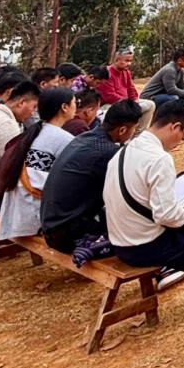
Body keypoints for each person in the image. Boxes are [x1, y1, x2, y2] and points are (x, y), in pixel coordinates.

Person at [104, 98, 184, 280]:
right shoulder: (159, 158)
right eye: (183, 138)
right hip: (144, 245)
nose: (178, 143)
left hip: (121, 241)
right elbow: (165, 215)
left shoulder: (124, 150)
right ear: (175, 127)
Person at [40, 100, 143, 253]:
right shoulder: (109, 154)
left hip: (51, 225)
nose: (133, 132)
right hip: (68, 235)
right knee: (142, 231)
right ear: (122, 130)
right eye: (134, 129)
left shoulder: (86, 137)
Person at [0, 87, 77, 239]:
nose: (76, 106)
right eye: (74, 102)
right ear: (64, 107)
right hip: (34, 214)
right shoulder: (63, 139)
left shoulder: (34, 131)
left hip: (16, 208)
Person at [97, 49, 156, 132]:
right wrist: (129, 104)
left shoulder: (126, 72)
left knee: (150, 105)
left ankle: (138, 134)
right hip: (110, 105)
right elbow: (110, 96)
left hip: (127, 103)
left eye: (130, 61)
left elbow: (131, 89)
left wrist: (134, 101)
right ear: (117, 60)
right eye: (127, 61)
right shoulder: (107, 73)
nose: (129, 64)